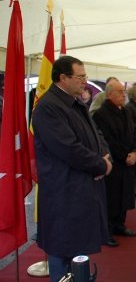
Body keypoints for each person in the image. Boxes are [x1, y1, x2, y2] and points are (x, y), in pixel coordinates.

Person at [32, 56, 112, 282]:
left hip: (79, 187)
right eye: (81, 77)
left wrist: (105, 157)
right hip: (64, 191)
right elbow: (68, 148)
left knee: (77, 247)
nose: (85, 82)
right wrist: (100, 164)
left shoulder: (74, 102)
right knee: (62, 248)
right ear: (62, 78)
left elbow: (96, 134)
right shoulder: (48, 108)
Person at [93, 80, 136, 247]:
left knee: (124, 195)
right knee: (111, 197)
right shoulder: (101, 115)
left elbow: (134, 134)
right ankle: (107, 230)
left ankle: (120, 225)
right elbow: (108, 141)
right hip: (114, 163)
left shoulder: (126, 111)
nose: (124, 95)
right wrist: (125, 156)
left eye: (124, 92)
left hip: (128, 161)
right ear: (109, 94)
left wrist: (135, 152)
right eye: (120, 92)